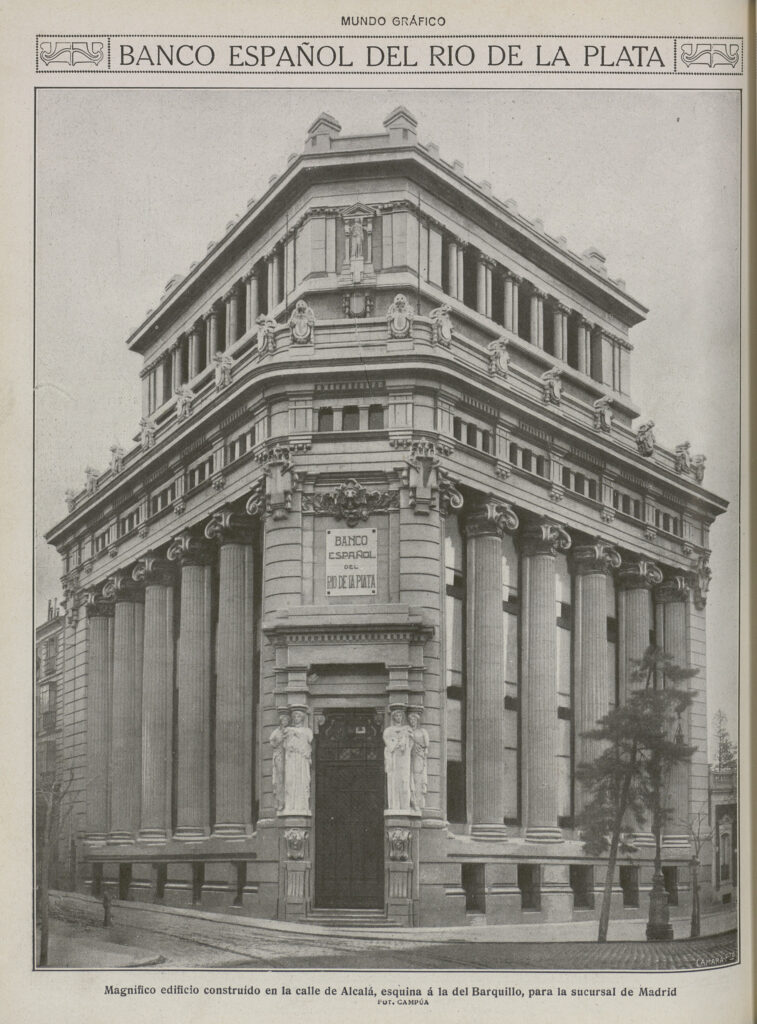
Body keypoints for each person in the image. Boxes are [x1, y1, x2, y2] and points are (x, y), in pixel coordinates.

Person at [284, 709, 313, 814]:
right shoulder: (288, 730)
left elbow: (309, 739)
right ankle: (291, 806)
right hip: (292, 760)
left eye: (299, 716)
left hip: (302, 760)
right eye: (295, 717)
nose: (296, 719)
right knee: (290, 782)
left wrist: (297, 734)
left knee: (302, 781)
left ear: (302, 718)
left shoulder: (307, 731)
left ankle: (302, 807)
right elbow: (286, 745)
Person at [384, 708, 413, 811]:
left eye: (400, 716)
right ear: (393, 717)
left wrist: (403, 742)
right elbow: (389, 744)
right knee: (394, 782)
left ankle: (405, 806)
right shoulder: (388, 730)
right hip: (394, 758)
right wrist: (397, 743)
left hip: (404, 758)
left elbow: (409, 743)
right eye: (396, 716)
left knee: (404, 781)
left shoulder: (407, 729)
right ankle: (395, 806)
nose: (398, 718)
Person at [408, 712, 429, 812]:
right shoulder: (408, 731)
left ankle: (418, 802)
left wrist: (423, 752)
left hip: (419, 756)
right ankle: (413, 801)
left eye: (414, 720)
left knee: (418, 778)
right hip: (410, 757)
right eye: (411, 720)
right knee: (411, 778)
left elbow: (426, 747)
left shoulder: (422, 731)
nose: (412, 722)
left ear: (417, 721)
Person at [269, 711, 290, 813]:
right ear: (280, 721)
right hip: (280, 756)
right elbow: (272, 743)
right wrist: (280, 741)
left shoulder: (289, 730)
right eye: (284, 720)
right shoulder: (276, 732)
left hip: (289, 756)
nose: (285, 721)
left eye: (287, 720)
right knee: (279, 778)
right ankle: (280, 802)